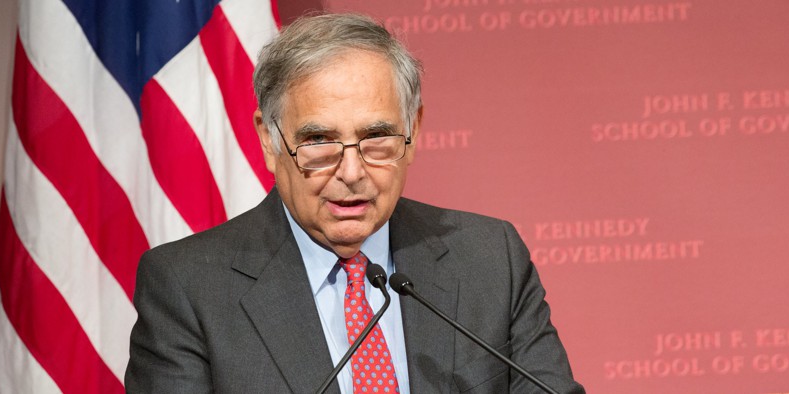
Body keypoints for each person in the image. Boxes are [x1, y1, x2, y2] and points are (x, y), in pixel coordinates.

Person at [126, 13, 584, 394]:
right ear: (269, 139)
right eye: (320, 140)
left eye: (376, 137)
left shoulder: (490, 259)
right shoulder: (187, 288)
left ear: (414, 129)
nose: (351, 172)